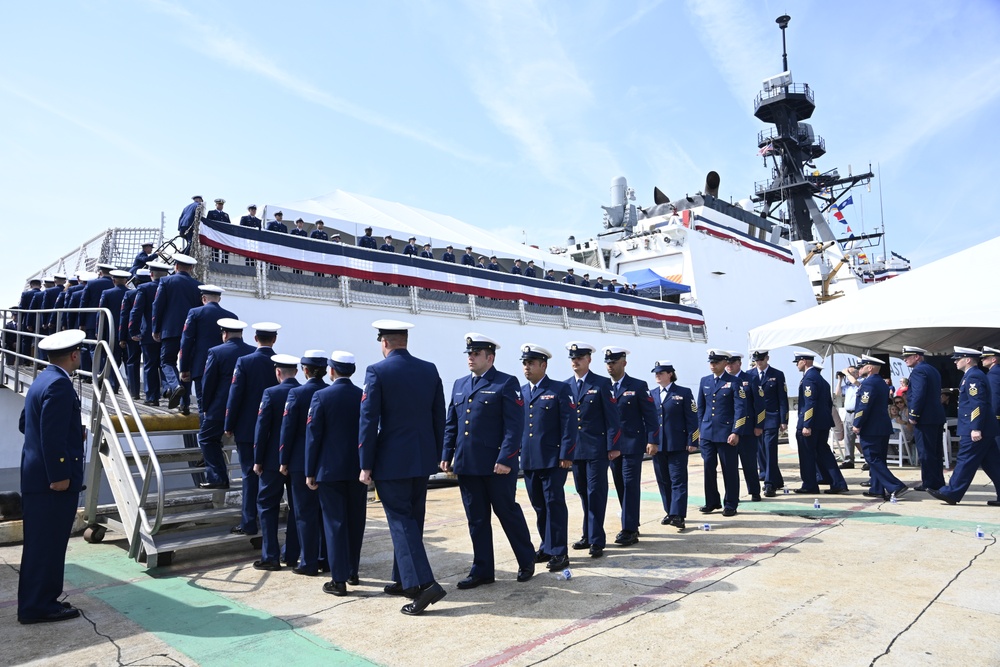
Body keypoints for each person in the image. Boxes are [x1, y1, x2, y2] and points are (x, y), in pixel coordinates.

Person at [359, 320, 447, 615]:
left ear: (384, 342)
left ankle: (424, 585)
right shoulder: (429, 369)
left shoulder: (377, 371)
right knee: (413, 520)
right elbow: (439, 417)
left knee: (400, 522)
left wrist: (365, 464)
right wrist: (435, 455)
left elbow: (369, 421)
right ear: (404, 340)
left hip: (391, 460)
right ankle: (403, 578)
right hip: (422, 459)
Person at [442, 334, 534, 589]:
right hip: (467, 464)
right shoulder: (460, 384)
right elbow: (452, 423)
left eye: (475, 354)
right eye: (469, 354)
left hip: (497, 466)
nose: (470, 358)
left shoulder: (506, 383)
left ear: (489, 358)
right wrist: (446, 455)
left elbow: (514, 427)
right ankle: (482, 570)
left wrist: (506, 458)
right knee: (477, 519)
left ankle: (526, 560)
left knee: (507, 513)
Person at [17, 329, 86, 625]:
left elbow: (26, 424)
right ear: (73, 355)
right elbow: (52, 435)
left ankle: (40, 600)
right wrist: (59, 474)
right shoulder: (59, 385)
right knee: (48, 545)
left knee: (40, 544)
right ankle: (39, 606)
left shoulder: (42, 380)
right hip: (51, 483)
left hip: (35, 478)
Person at [306, 351, 367, 596]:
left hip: (329, 470)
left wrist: (310, 471)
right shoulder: (362, 396)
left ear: (331, 370)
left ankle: (338, 579)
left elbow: (313, 437)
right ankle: (353, 571)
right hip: (357, 469)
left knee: (335, 524)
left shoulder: (321, 396)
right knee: (355, 521)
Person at [519, 343, 574, 572]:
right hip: (530, 460)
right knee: (539, 506)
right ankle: (547, 545)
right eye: (524, 363)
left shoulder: (559, 389)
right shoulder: (522, 391)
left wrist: (566, 454)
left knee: (554, 504)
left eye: (531, 363)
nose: (526, 367)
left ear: (543, 364)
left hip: (553, 459)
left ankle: (560, 551)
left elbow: (569, 424)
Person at [224, 322, 281, 534]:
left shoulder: (245, 362)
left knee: (249, 474)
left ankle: (249, 523)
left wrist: (229, 424)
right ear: (274, 340)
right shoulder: (281, 362)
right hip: (274, 431)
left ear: (256, 339)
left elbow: (235, 395)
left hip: (248, 429)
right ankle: (268, 521)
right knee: (270, 475)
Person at [564, 341, 620, 557]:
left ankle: (597, 539)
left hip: (597, 449)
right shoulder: (566, 386)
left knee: (596, 493)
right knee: (582, 493)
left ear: (588, 359)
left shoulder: (602, 384)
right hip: (575, 451)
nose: (575, 361)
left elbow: (613, 419)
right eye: (572, 358)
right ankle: (587, 535)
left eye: (579, 358)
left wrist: (613, 446)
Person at [928, 347, 1000, 506]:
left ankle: (951, 493)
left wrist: (976, 427)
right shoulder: (972, 375)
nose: (954, 361)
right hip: (985, 427)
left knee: (965, 460)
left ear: (967, 360)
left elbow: (977, 404)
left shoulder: (973, 376)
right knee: (993, 464)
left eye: (958, 358)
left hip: (976, 428)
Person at [280, 350, 330, 576]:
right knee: (324, 513)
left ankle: (308, 562)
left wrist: (283, 460)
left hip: (300, 463)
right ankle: (326, 558)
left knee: (303, 514)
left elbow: (287, 430)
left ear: (305, 370)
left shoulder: (296, 394)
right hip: (327, 464)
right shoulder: (331, 392)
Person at [252, 353, 302, 571]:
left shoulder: (270, 393)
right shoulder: (307, 392)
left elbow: (262, 429)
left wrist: (257, 460)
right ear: (297, 372)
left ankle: (270, 555)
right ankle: (291, 554)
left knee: (267, 506)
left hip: (272, 461)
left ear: (278, 372)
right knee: (296, 507)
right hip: (299, 461)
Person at [603, 346, 656, 546]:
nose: (610, 366)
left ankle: (629, 529)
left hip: (632, 445)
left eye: (614, 362)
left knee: (630, 485)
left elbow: (650, 415)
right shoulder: (604, 387)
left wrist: (652, 440)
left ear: (624, 363)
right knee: (619, 485)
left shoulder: (638, 386)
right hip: (612, 447)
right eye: (608, 363)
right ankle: (631, 521)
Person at [197, 318, 254, 489]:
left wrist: (205, 407)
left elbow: (208, 383)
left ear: (225, 334)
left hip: (220, 408)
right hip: (246, 409)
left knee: (206, 438)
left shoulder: (216, 352)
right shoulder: (252, 352)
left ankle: (218, 477)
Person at [697, 349, 748, 516]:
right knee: (708, 468)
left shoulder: (735, 381)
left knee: (729, 469)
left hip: (726, 434)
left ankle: (731, 503)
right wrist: (700, 432)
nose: (712, 365)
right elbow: (701, 408)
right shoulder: (704, 381)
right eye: (711, 362)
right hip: (707, 433)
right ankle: (712, 501)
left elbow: (741, 409)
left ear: (725, 363)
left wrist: (736, 431)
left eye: (716, 362)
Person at [650, 361, 699, 531]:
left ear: (670, 374)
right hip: (658, 446)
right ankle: (669, 512)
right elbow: (648, 421)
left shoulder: (684, 392)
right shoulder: (652, 394)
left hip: (678, 445)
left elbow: (693, 418)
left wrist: (693, 441)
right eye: (655, 373)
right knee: (663, 481)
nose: (657, 375)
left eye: (661, 372)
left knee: (678, 480)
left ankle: (678, 515)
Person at [151, 254, 202, 412]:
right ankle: (185, 404)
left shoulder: (166, 282)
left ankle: (175, 385)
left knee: (166, 361)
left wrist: (156, 329)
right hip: (190, 332)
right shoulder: (198, 286)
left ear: (176, 266)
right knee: (186, 366)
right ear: (191, 268)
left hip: (170, 330)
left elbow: (158, 306)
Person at [853, 356, 908, 500]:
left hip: (871, 427)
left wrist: (857, 423)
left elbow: (864, 406)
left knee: (872, 458)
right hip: (882, 426)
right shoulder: (882, 383)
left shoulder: (868, 384)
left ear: (870, 368)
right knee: (879, 459)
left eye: (862, 366)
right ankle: (877, 488)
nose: (860, 369)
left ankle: (895, 485)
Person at [793, 351, 849, 495]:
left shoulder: (809, 379)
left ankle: (810, 484)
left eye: (798, 362)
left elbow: (809, 403)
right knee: (824, 453)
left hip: (812, 424)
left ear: (804, 361)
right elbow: (828, 403)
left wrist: (807, 424)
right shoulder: (822, 380)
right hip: (823, 423)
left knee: (807, 454)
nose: (797, 365)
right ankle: (837, 482)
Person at [178, 285, 237, 413]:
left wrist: (184, 368)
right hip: (225, 368)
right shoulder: (232, 317)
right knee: (222, 405)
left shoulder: (195, 313)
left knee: (203, 406)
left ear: (203, 298)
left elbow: (186, 342)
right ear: (219, 299)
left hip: (201, 366)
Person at [902, 346, 946, 492]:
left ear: (917, 357)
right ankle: (937, 481)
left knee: (926, 452)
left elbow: (919, 394)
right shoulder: (932, 369)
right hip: (935, 416)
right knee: (935, 452)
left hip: (925, 418)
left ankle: (929, 483)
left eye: (908, 356)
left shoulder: (919, 371)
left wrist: (913, 414)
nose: (904, 359)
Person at [129, 261, 170, 406]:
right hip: (168, 333)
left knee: (150, 365)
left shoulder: (144, 288)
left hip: (148, 333)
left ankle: (152, 397)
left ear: (151, 274)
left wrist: (133, 330)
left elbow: (136, 311)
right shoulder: (171, 287)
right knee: (166, 363)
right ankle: (168, 389)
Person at [750, 350, 789, 497]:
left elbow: (782, 399)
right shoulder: (750, 374)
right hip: (755, 420)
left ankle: (769, 484)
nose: (759, 362)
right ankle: (774, 478)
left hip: (771, 417)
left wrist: (783, 420)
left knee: (770, 450)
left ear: (767, 358)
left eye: (761, 359)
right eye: (756, 360)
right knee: (760, 451)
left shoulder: (777, 374)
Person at [726, 352, 763, 502]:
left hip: (748, 429)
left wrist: (759, 425)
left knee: (749, 463)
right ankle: (733, 495)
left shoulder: (751, 379)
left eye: (732, 363)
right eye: (727, 363)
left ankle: (754, 491)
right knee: (730, 466)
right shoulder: (724, 381)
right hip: (729, 430)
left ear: (739, 363)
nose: (729, 366)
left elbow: (759, 404)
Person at [96, 270, 131, 391]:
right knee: (129, 360)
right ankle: (131, 388)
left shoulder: (107, 293)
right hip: (129, 332)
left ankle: (113, 386)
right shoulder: (132, 293)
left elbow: (100, 314)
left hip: (111, 332)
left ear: (113, 280)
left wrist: (98, 330)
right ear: (126, 281)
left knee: (112, 359)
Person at [119, 270, 147, 400]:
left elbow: (124, 316)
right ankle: (151, 394)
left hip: (133, 333)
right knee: (151, 363)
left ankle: (134, 392)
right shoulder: (156, 291)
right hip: (150, 332)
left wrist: (122, 337)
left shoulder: (129, 294)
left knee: (132, 361)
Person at [837, 364, 863, 469]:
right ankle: (848, 460)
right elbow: (838, 393)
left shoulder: (861, 382)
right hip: (848, 413)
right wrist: (840, 379)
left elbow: (855, 382)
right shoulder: (848, 386)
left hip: (858, 413)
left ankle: (867, 460)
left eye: (851, 373)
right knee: (848, 438)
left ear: (857, 373)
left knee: (861, 437)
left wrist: (847, 373)